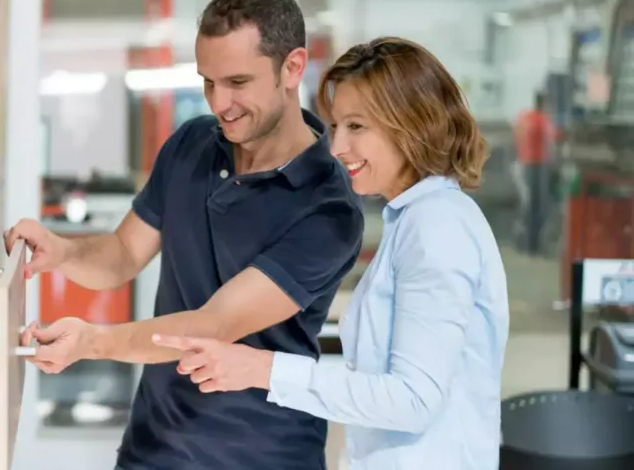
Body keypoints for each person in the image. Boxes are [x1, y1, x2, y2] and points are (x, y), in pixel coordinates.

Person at [4, 0, 364, 470]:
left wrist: (94, 342)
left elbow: (214, 326)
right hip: (154, 449)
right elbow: (123, 254)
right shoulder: (193, 143)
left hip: (261, 456)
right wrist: (63, 253)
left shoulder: (328, 207)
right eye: (207, 82)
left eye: (237, 83)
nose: (219, 103)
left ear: (292, 67)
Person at [154, 37, 510, 469]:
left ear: (413, 123)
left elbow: (413, 399)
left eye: (356, 127)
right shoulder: (414, 220)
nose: (337, 146)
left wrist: (262, 369)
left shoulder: (437, 227)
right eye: (336, 126)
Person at [512, 90, 557, 254]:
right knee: (539, 207)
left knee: (527, 206)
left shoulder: (524, 117)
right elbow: (550, 143)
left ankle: (522, 244)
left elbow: (516, 136)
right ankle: (534, 246)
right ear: (544, 104)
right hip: (538, 166)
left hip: (523, 164)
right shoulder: (543, 121)